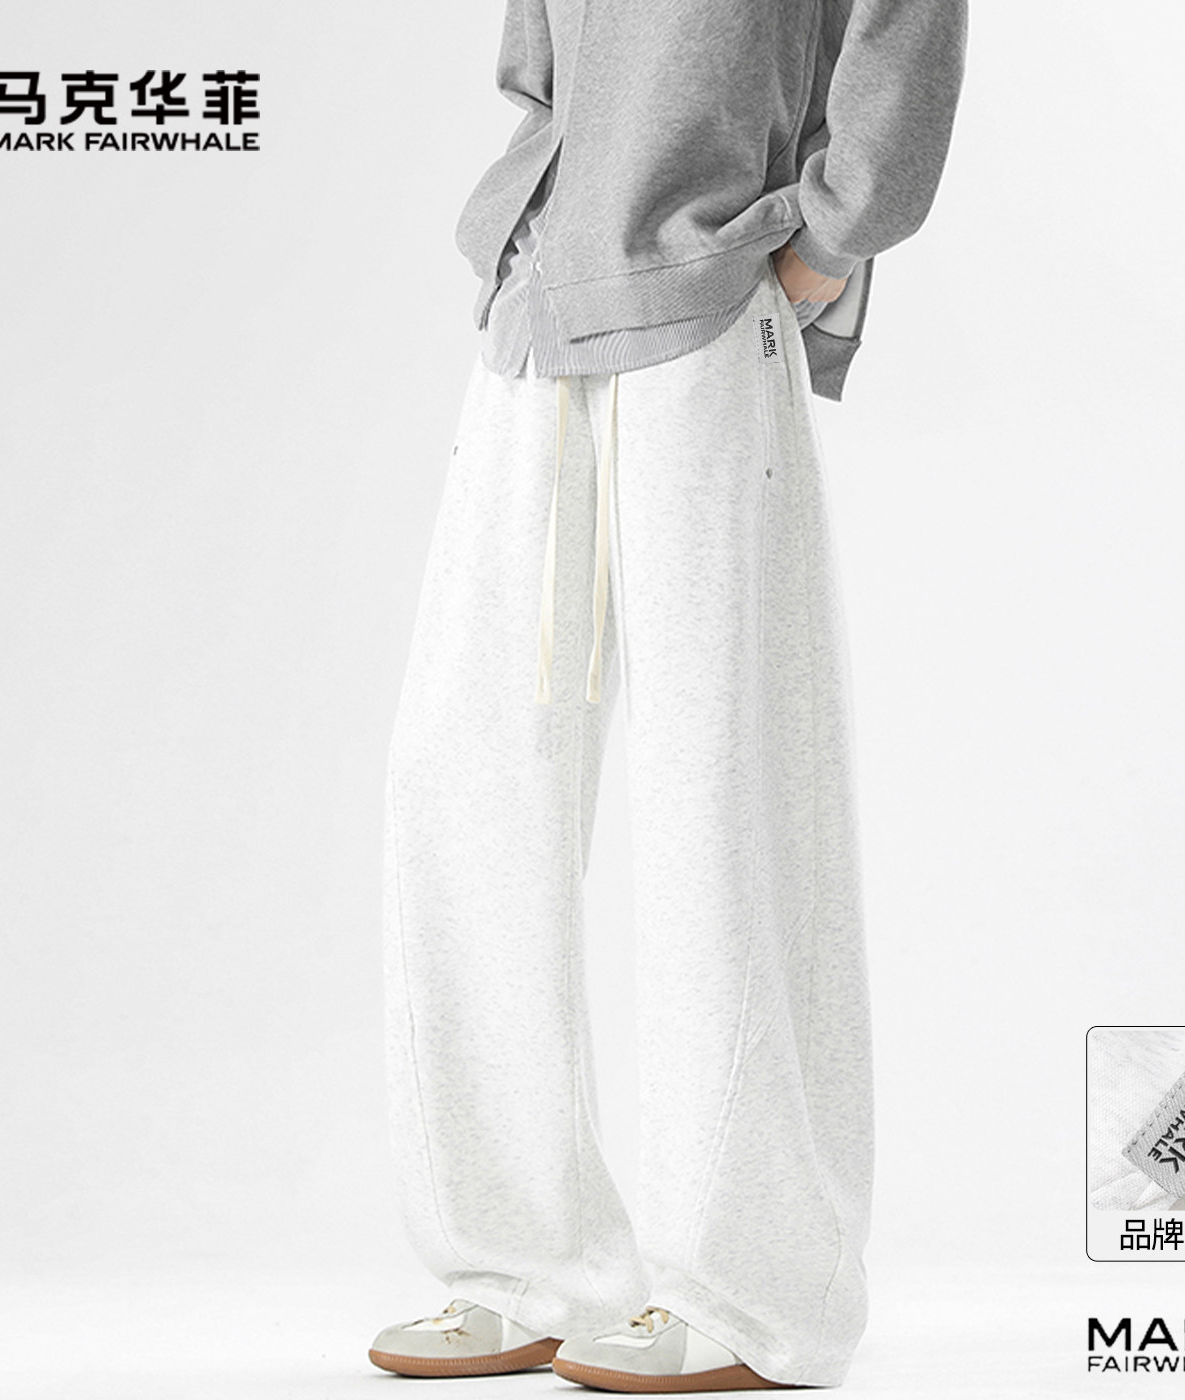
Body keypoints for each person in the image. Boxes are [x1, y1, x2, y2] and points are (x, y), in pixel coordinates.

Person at [371, 1, 966, 1390]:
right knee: (463, 789)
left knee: (721, 801)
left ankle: (758, 1294)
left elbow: (905, 27)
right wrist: (522, 227)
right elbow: (543, 62)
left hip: (706, 304)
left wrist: (832, 234)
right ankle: (524, 1264)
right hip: (539, 308)